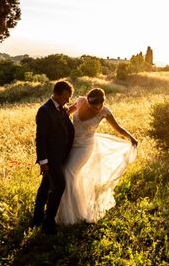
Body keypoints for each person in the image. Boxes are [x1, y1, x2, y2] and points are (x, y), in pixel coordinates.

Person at [56, 87, 138, 225]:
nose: (94, 109)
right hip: (70, 143)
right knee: (70, 174)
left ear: (102, 103)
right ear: (87, 100)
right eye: (91, 106)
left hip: (84, 147)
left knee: (68, 172)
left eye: (96, 107)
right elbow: (67, 113)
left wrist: (132, 138)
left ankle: (74, 214)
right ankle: (63, 211)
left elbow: (118, 128)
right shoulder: (81, 101)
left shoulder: (105, 112)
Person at [31, 80, 75, 235]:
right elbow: (40, 138)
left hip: (60, 156)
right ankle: (48, 222)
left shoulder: (61, 108)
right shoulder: (44, 110)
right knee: (59, 185)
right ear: (57, 94)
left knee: (44, 187)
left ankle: (36, 218)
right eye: (66, 96)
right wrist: (43, 162)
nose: (68, 100)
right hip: (50, 158)